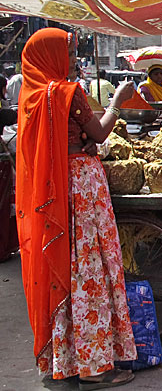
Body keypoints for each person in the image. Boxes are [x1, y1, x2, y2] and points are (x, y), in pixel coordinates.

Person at [16, 28, 138, 388]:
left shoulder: (31, 97)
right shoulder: (68, 93)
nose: (72, 62)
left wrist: (82, 140)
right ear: (52, 57)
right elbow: (98, 133)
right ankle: (96, 368)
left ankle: (64, 361)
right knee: (90, 271)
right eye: (67, 55)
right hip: (81, 189)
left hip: (51, 194)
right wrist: (117, 102)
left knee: (62, 273)